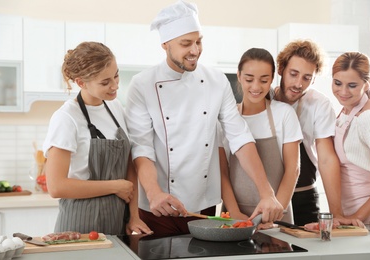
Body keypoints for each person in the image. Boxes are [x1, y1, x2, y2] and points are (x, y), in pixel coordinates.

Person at [125, 0, 283, 237]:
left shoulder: (216, 81)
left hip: (205, 207)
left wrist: (266, 193)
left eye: (199, 41)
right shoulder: (142, 85)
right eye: (186, 43)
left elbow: (240, 137)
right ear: (165, 44)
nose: (195, 50)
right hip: (157, 207)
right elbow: (142, 149)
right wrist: (153, 192)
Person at [43, 41, 152, 235]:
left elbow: (128, 165)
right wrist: (114, 186)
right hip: (79, 226)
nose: (115, 85)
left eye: (116, 75)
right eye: (105, 82)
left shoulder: (115, 107)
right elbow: (56, 186)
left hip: (117, 223)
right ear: (81, 82)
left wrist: (134, 217)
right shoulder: (66, 118)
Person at [218, 48, 302, 225]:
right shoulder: (226, 118)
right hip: (235, 215)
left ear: (272, 79)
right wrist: (234, 213)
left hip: (277, 212)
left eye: (264, 80)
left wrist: (275, 213)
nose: (256, 87)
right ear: (239, 76)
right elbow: (222, 171)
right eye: (249, 79)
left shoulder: (284, 114)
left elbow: (292, 170)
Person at [272, 39, 345, 226]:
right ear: (280, 69)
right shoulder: (265, 98)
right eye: (293, 74)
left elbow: (327, 159)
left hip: (304, 198)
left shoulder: (319, 104)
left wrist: (337, 213)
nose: (298, 84)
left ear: (314, 78)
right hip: (268, 198)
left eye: (306, 78)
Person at [332, 52, 370, 224]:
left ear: (366, 84)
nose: (343, 91)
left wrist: (358, 217)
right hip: (347, 215)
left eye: (352, 85)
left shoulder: (369, 118)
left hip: (368, 218)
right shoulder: (344, 112)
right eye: (337, 83)